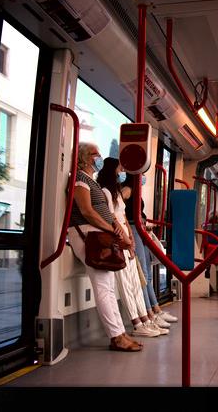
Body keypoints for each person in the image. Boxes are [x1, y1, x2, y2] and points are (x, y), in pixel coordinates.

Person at [67, 142, 142, 352]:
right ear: (85, 157)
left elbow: (107, 212)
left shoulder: (92, 181)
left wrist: (115, 227)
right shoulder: (80, 179)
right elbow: (87, 211)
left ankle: (119, 333)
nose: (99, 157)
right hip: (87, 234)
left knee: (108, 286)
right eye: (95, 154)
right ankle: (116, 336)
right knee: (103, 286)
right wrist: (111, 229)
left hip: (98, 233)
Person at [98, 158, 168, 338]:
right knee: (138, 276)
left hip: (133, 231)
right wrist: (126, 235)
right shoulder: (122, 190)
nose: (143, 177)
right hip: (127, 233)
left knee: (142, 277)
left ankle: (150, 314)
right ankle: (142, 319)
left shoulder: (121, 192)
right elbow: (115, 215)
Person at [122, 173, 178, 328]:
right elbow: (117, 206)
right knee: (143, 275)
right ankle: (148, 314)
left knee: (148, 276)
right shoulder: (128, 189)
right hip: (133, 229)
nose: (144, 177)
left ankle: (156, 309)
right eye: (142, 175)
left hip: (140, 230)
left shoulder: (135, 190)